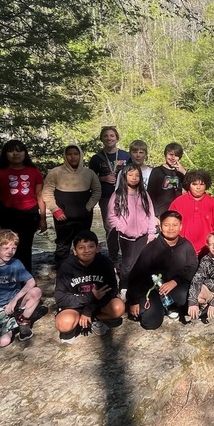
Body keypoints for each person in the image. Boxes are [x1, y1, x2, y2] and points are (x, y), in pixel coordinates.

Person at [127, 210, 198, 329]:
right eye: (166, 225)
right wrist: (133, 300)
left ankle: (171, 305)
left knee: (188, 296)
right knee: (150, 323)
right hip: (153, 290)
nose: (171, 228)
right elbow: (137, 274)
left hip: (176, 287)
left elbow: (191, 268)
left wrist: (175, 281)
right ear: (160, 226)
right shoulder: (151, 248)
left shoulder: (186, 245)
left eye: (175, 225)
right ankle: (162, 307)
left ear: (181, 226)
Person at [53, 230, 125, 343]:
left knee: (118, 307)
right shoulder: (66, 267)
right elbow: (60, 298)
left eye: (91, 246)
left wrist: (89, 310)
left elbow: (112, 291)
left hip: (97, 306)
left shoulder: (105, 263)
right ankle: (78, 322)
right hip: (74, 306)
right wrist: (89, 297)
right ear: (74, 251)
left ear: (97, 248)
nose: (86, 251)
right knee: (64, 324)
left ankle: (93, 319)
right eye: (81, 247)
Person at [0, 139, 46, 274]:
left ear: (25, 153)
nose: (15, 154)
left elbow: (40, 196)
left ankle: (26, 282)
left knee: (25, 249)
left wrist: (43, 218)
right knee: (7, 249)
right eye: (11, 151)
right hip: (7, 215)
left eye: (19, 150)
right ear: (5, 154)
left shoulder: (34, 172)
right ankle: (6, 281)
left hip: (29, 216)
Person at [108, 163, 156, 319]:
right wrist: (122, 227)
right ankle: (124, 287)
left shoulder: (144, 194)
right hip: (126, 237)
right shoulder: (118, 194)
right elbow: (111, 216)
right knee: (128, 264)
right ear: (124, 176)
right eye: (131, 175)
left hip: (143, 236)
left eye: (137, 175)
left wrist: (151, 233)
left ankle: (138, 291)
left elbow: (151, 214)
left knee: (141, 264)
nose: (134, 178)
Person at [42, 143, 100, 267]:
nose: (73, 157)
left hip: (83, 216)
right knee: (63, 246)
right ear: (65, 156)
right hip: (62, 217)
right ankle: (61, 272)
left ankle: (83, 270)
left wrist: (89, 206)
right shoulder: (55, 172)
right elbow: (47, 192)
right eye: (69, 154)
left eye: (75, 154)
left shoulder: (89, 173)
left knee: (84, 243)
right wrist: (55, 209)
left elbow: (97, 191)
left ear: (80, 155)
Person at [88, 126, 129, 262]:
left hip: (125, 196)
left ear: (117, 138)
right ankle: (113, 258)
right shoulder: (96, 158)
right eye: (106, 136)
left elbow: (134, 173)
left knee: (127, 224)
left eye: (112, 135)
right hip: (106, 197)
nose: (109, 138)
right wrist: (103, 178)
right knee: (110, 227)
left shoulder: (126, 156)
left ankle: (128, 256)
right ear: (101, 139)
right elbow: (90, 178)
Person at [169, 169, 214, 256]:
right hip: (182, 250)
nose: (198, 187)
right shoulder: (177, 203)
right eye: (194, 184)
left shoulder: (213, 203)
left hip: (207, 250)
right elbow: (170, 227)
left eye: (201, 184)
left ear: (206, 185)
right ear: (188, 185)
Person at [147, 142, 186, 218]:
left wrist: (184, 172)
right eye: (170, 154)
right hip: (160, 213)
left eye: (176, 155)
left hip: (176, 212)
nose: (172, 158)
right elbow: (150, 194)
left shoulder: (181, 173)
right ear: (165, 154)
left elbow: (192, 186)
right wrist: (154, 214)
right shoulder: (157, 171)